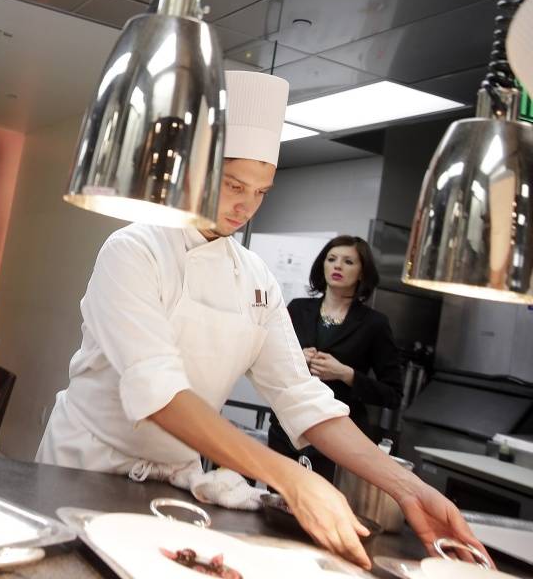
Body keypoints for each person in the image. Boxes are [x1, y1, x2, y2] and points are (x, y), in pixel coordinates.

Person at [36, 71, 483, 569]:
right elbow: (158, 392)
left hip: (175, 482)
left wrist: (408, 487)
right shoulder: (134, 249)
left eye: (262, 192)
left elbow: (301, 397)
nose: (246, 206)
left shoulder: (256, 279)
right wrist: (289, 477)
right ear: (198, 170)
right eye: (234, 185)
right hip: (85, 467)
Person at [268, 236, 403, 481]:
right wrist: (296, 359)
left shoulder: (375, 324)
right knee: (277, 498)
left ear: (362, 273)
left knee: (323, 501)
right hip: (287, 429)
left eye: (348, 261)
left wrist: (346, 374)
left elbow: (393, 395)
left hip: (338, 439)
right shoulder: (297, 309)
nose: (337, 266)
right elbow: (269, 364)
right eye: (331, 259)